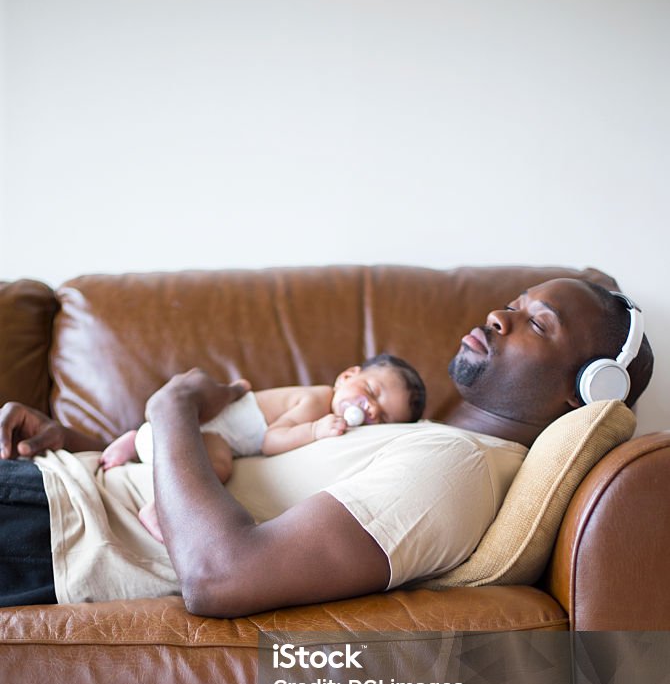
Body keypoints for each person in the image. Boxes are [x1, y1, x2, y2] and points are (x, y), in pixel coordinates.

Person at [0, 278, 654, 616]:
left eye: (538, 322)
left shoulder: (454, 471)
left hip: (54, 533)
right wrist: (81, 444)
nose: (498, 316)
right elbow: (225, 473)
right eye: (513, 302)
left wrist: (170, 405)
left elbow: (222, 576)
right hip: (54, 487)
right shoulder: (417, 440)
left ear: (585, 392)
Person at [98, 354, 427, 542]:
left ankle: (134, 440)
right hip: (202, 431)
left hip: (182, 431)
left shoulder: (331, 410)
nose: (369, 409)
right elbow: (271, 441)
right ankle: (158, 508)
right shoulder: (316, 402)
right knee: (220, 467)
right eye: (371, 391)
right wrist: (313, 430)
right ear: (345, 376)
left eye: (382, 417)